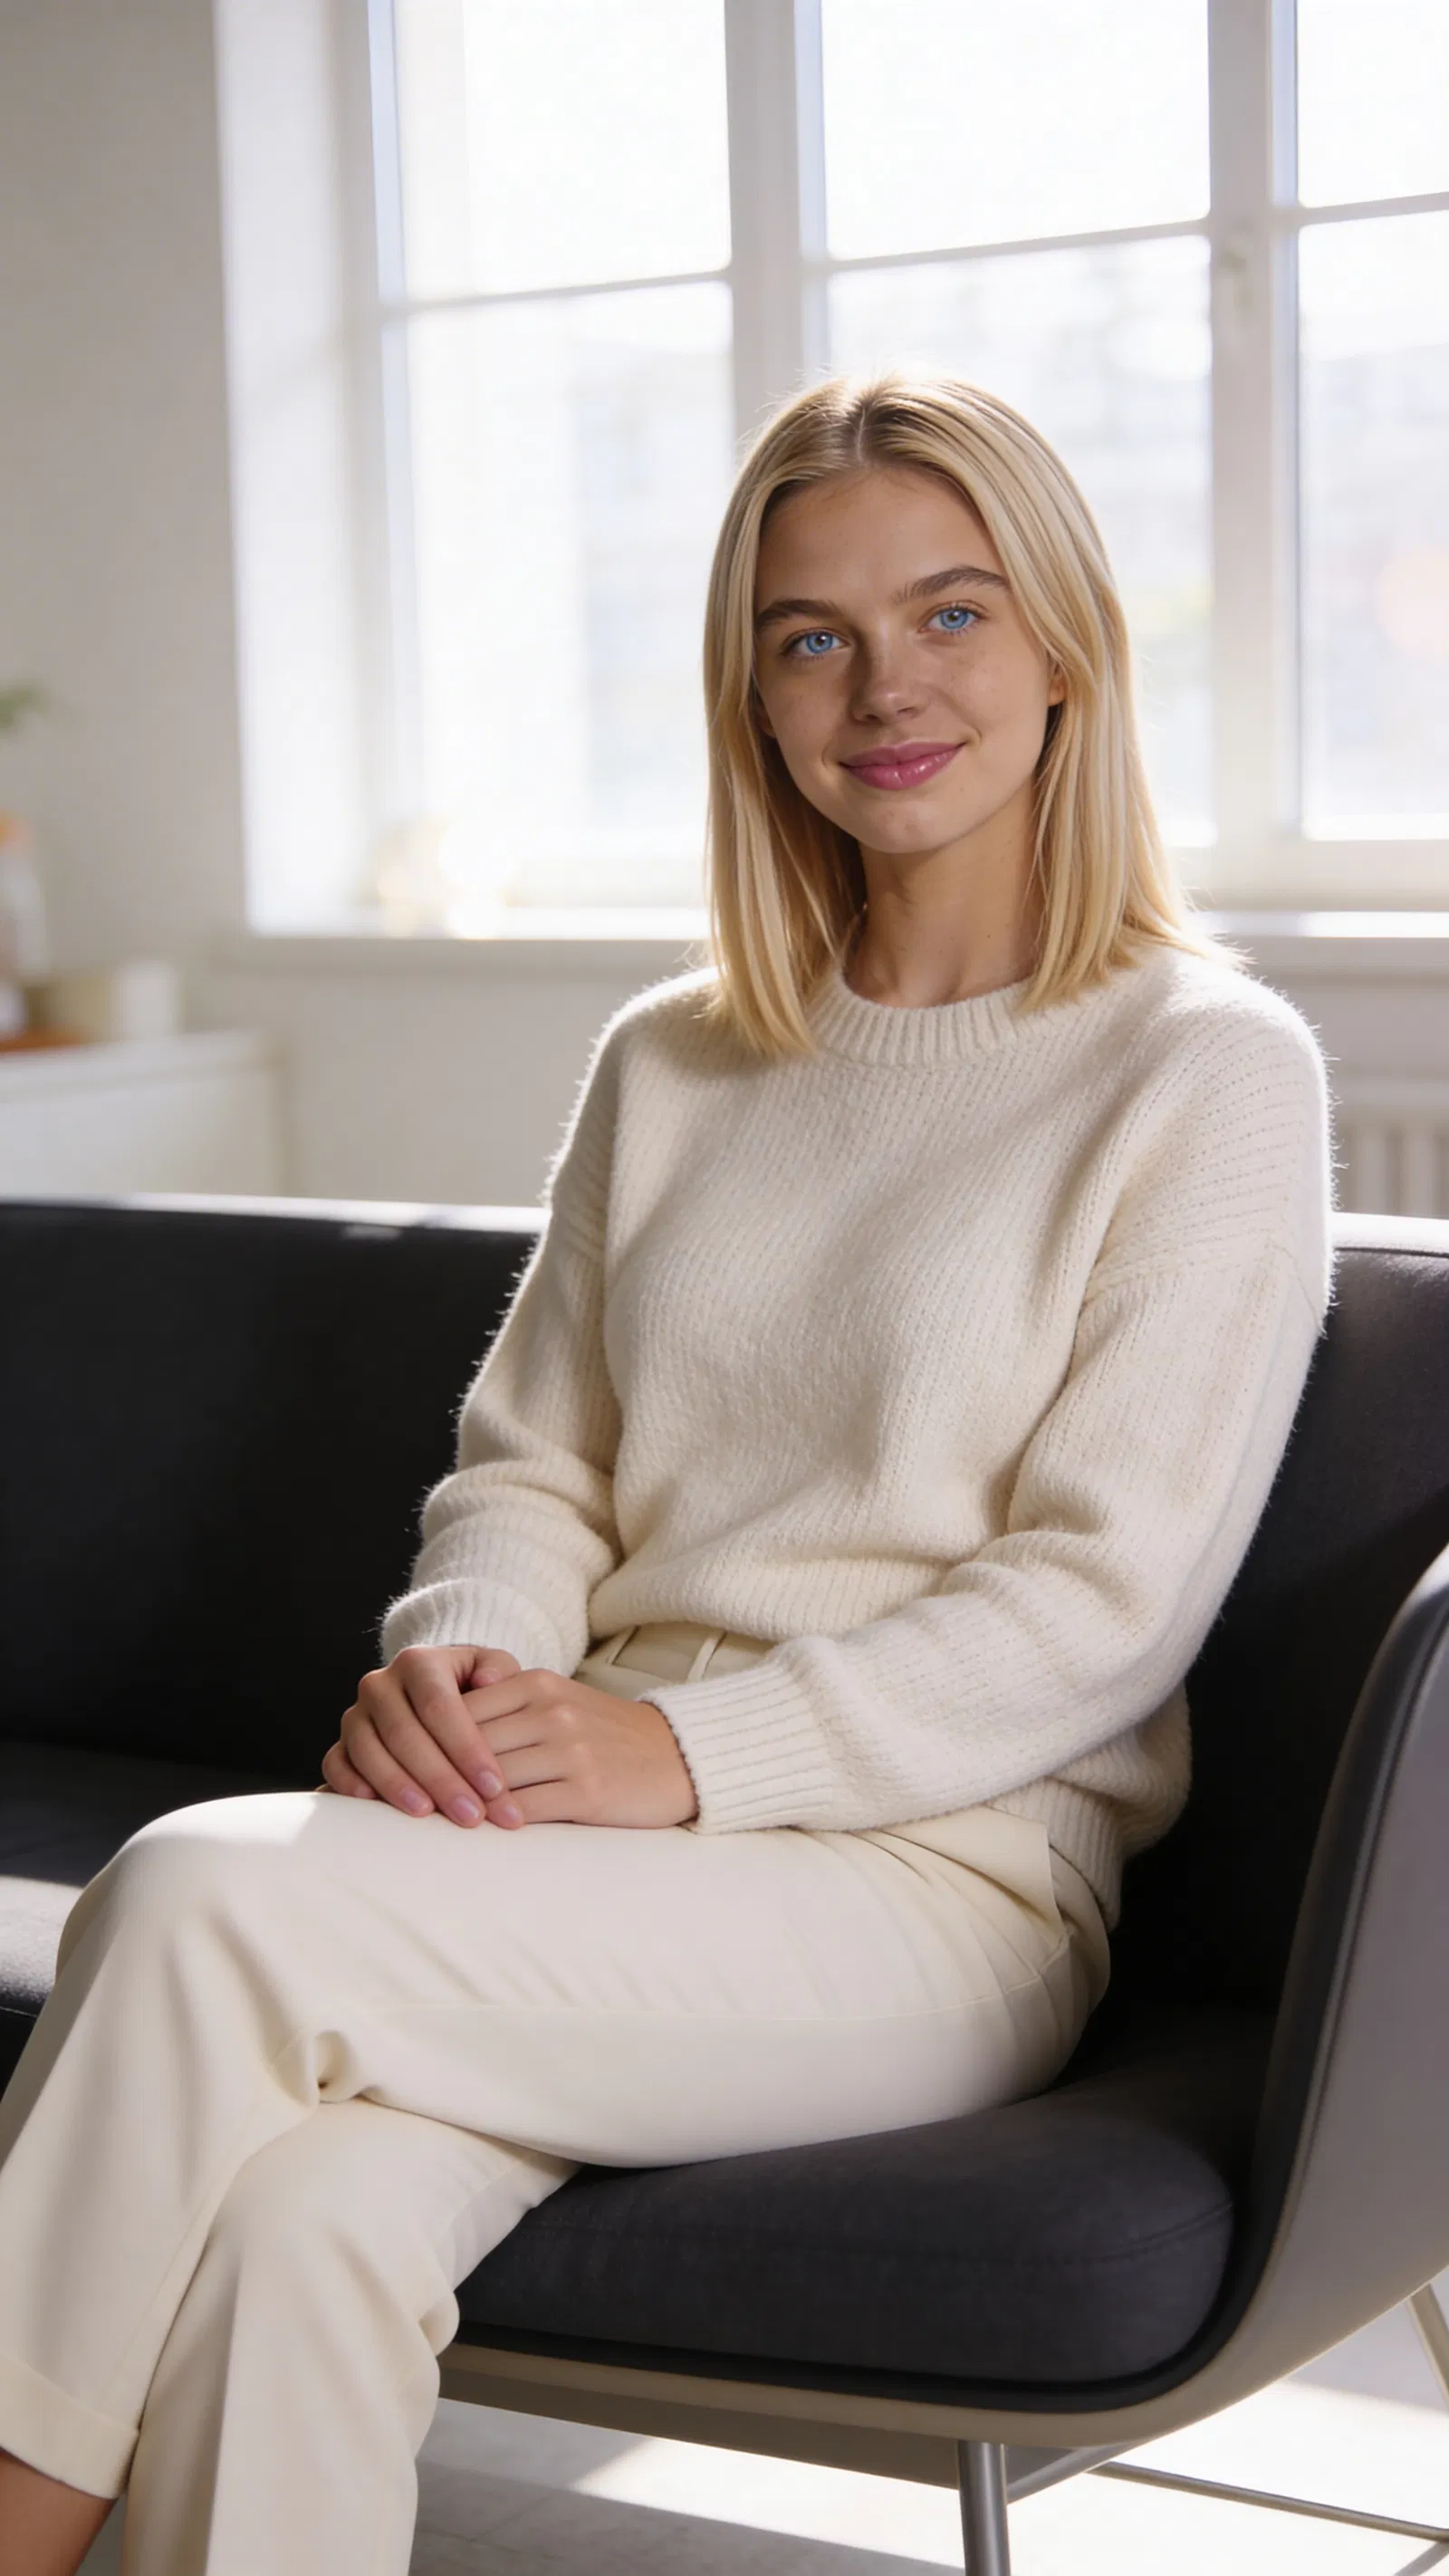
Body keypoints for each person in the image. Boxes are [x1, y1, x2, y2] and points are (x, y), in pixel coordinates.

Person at [0, 371, 1331, 2576]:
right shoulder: (675, 1057)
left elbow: (1099, 1608)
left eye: (950, 613)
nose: (882, 686)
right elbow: (530, 1470)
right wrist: (465, 1678)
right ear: (751, 691)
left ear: (1066, 646)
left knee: (202, 1893)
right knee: (305, 2220)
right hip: (571, 1836)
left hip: (937, 1884)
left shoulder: (1200, 1073)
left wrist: (675, 1753)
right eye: (810, 636)